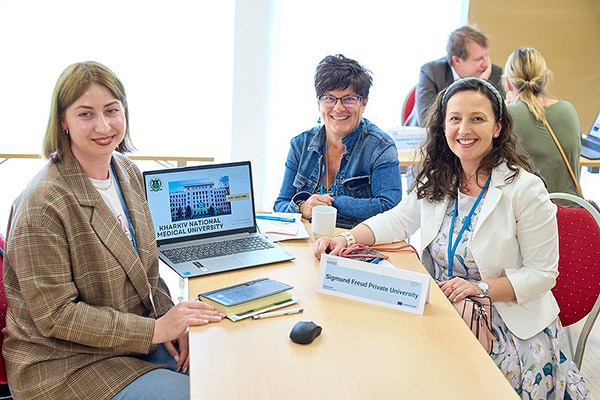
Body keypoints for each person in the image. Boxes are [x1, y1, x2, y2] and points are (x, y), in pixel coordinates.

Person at [314, 77, 590, 399]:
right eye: (455, 118)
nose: (464, 129)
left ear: (498, 127)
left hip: (508, 326)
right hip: (449, 309)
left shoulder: (525, 189)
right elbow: (398, 219)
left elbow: (542, 274)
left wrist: (480, 288)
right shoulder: (440, 177)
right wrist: (347, 239)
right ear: (443, 126)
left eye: (477, 119)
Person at [2, 61, 225, 400]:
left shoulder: (127, 173)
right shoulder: (42, 203)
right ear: (62, 121)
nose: (103, 126)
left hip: (129, 342)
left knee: (226, 370)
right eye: (86, 114)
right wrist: (156, 329)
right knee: (204, 394)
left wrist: (172, 319)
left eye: (111, 110)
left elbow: (148, 273)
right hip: (66, 364)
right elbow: (57, 317)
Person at [274, 54, 402, 228]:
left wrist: (331, 204)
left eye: (349, 99)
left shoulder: (381, 147)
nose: (338, 108)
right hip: (309, 239)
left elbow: (390, 207)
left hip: (357, 239)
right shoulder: (300, 144)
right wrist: (303, 207)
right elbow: (281, 204)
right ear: (318, 102)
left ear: (364, 103)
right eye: (329, 98)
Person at [504, 47, 582, 196]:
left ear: (508, 83)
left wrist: (507, 107)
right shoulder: (568, 109)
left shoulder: (508, 115)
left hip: (531, 207)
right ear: (545, 79)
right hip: (571, 206)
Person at [411, 25, 505, 126]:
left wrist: (482, 84)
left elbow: (499, 118)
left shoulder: (493, 72)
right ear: (457, 60)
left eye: (486, 55)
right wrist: (478, 85)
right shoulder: (432, 72)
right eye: (479, 59)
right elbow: (426, 119)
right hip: (425, 134)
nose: (486, 64)